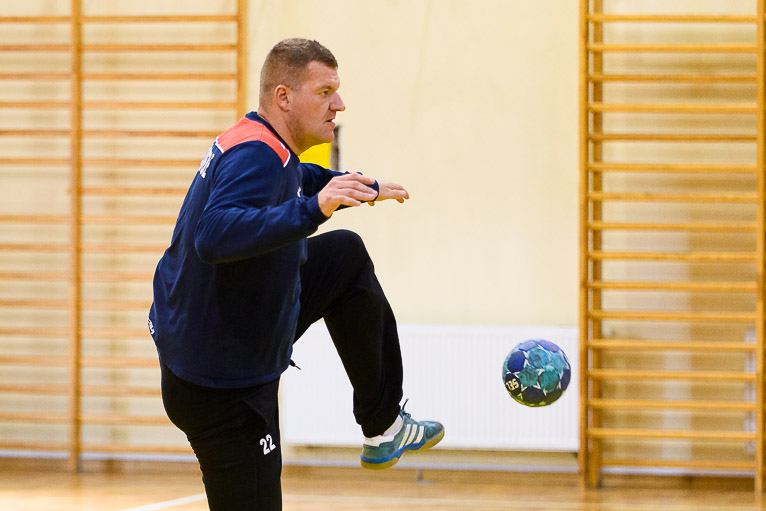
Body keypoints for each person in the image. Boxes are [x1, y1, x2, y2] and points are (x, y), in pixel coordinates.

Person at [148, 38, 444, 510]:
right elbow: (213, 235)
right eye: (325, 92)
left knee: (345, 256)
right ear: (283, 97)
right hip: (221, 384)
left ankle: (383, 424)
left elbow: (297, 176)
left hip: (224, 333)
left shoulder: (264, 142)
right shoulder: (255, 155)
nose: (339, 104)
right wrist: (314, 209)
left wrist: (350, 185)